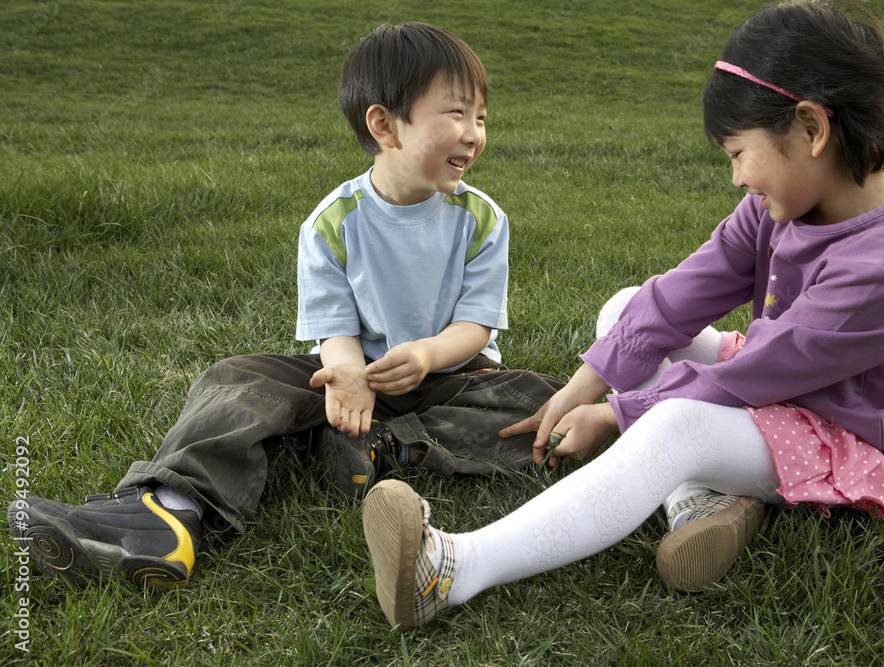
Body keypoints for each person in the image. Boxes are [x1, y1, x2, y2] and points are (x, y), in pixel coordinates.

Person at [361, 0, 884, 630]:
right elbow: (680, 294)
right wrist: (584, 384)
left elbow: (747, 379)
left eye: (738, 153)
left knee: (675, 426)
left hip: (837, 439)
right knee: (626, 309)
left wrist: (617, 413)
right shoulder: (785, 203)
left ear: (810, 129)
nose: (735, 178)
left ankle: (451, 571)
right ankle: (701, 501)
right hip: (776, 391)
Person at [7, 21, 563, 590]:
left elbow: (475, 326)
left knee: (545, 405)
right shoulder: (332, 223)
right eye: (456, 114)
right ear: (385, 125)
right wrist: (348, 374)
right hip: (355, 374)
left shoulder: (483, 219)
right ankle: (170, 513)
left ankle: (382, 446)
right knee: (238, 379)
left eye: (481, 118)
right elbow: (335, 328)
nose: (474, 133)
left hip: (454, 376)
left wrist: (426, 354)